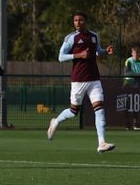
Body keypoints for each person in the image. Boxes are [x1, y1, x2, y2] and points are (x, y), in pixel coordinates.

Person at [46, 12, 116, 153]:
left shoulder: (94, 36)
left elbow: (96, 51)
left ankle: (101, 143)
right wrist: (79, 55)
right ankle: (56, 121)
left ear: (86, 21)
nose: (78, 22)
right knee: (73, 111)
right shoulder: (71, 38)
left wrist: (104, 51)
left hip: (94, 78)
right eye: (75, 20)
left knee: (99, 109)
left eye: (80, 20)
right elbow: (60, 57)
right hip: (78, 80)